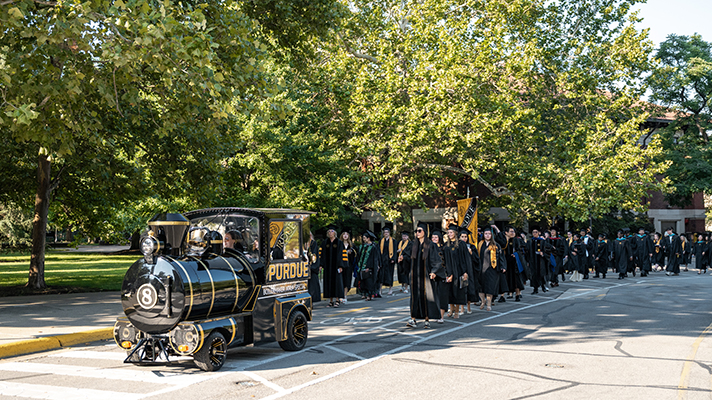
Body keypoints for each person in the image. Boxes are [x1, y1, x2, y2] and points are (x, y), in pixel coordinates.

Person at [407, 222, 440, 328]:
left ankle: (427, 319)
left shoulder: (430, 245)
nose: (417, 233)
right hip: (415, 277)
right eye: (416, 231)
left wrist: (434, 271)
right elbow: (407, 258)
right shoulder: (413, 245)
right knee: (415, 297)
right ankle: (413, 319)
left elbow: (437, 260)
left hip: (426, 276)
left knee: (426, 297)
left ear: (425, 232)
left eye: (419, 231)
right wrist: (402, 258)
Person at [443, 224, 468, 318]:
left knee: (458, 292)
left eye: (451, 232)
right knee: (450, 291)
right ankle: (451, 309)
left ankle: (457, 311)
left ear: (455, 233)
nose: (449, 234)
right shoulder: (446, 245)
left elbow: (464, 259)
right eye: (448, 232)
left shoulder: (461, 244)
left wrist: (465, 271)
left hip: (458, 271)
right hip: (449, 271)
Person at [478, 227, 505, 311]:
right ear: (483, 235)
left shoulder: (496, 245)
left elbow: (501, 257)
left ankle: (489, 304)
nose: (487, 235)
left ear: (492, 235)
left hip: (492, 269)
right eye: (486, 234)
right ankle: (483, 301)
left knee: (490, 287)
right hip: (481, 269)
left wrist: (503, 266)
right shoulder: (480, 244)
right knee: (480, 287)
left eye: (489, 234)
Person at [496, 225, 524, 302]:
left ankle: (517, 295)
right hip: (506, 262)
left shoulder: (516, 240)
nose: (513, 233)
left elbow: (520, 250)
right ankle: (502, 296)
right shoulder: (503, 240)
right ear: (506, 232)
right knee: (505, 279)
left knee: (516, 280)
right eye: (511, 231)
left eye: (513, 231)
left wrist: (516, 254)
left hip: (515, 263)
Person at [321, 225, 344, 307]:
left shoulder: (339, 242)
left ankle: (337, 300)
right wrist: (321, 265)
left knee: (337, 283)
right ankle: (330, 301)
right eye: (329, 231)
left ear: (335, 233)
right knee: (328, 283)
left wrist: (341, 266)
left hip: (336, 266)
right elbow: (322, 254)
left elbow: (342, 254)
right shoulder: (325, 242)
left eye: (332, 231)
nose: (330, 233)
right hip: (328, 267)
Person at [460, 227, 481, 310]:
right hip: (461, 270)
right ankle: (461, 308)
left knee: (469, 288)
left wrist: (471, 253)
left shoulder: (471, 247)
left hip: (470, 270)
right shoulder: (457, 246)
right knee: (461, 288)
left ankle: (468, 307)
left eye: (465, 236)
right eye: (462, 236)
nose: (464, 238)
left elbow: (477, 259)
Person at [356, 230, 379, 301]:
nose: (363, 239)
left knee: (369, 282)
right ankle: (364, 293)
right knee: (362, 281)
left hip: (369, 268)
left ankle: (369, 294)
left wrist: (369, 267)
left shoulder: (373, 247)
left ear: (368, 238)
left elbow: (374, 259)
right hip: (361, 267)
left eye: (364, 238)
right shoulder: (362, 246)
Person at [430, 230, 447, 323]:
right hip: (433, 276)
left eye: (436, 237)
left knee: (442, 296)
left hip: (442, 275)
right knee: (434, 296)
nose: (434, 239)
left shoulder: (444, 248)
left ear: (440, 238)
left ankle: (441, 316)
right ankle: (435, 314)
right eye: (432, 237)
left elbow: (446, 263)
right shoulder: (429, 249)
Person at [527, 227, 549, 293]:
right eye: (533, 232)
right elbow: (527, 251)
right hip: (532, 261)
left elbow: (547, 251)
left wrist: (543, 254)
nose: (534, 233)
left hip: (540, 261)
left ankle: (543, 286)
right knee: (534, 275)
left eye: (536, 232)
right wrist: (528, 261)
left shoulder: (542, 241)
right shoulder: (530, 241)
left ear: (539, 233)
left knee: (541, 274)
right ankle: (535, 289)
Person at [378, 226, 398, 296]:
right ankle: (380, 289)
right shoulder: (381, 241)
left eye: (387, 232)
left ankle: (390, 289)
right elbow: (379, 251)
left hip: (390, 260)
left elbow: (395, 251)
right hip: (382, 260)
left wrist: (393, 259)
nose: (385, 233)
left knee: (390, 274)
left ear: (389, 233)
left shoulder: (393, 241)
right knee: (381, 275)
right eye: (384, 232)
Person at [340, 231, 357, 304]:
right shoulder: (339, 244)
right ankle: (341, 295)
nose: (345, 235)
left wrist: (351, 252)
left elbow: (356, 253)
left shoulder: (351, 245)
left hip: (349, 265)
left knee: (347, 280)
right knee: (341, 280)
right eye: (344, 234)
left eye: (347, 234)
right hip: (341, 265)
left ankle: (345, 295)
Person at [305, 232, 321, 303]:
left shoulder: (313, 243)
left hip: (312, 267)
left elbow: (314, 255)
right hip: (304, 266)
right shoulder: (302, 244)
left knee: (313, 284)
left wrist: (311, 265)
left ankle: (313, 298)